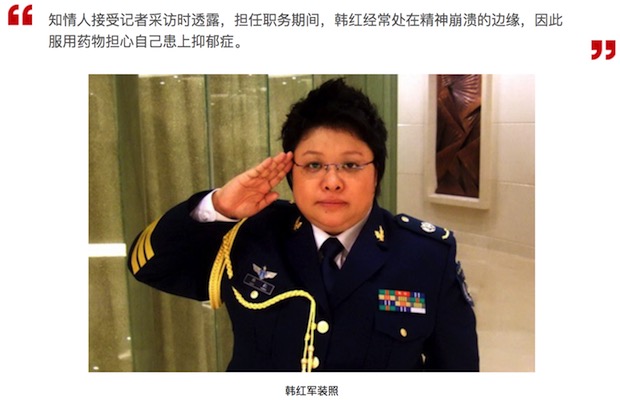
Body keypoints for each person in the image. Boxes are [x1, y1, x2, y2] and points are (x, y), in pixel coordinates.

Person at [128, 78, 479, 372]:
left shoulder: (425, 256)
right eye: (313, 165)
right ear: (290, 174)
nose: (332, 182)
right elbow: (150, 267)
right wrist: (219, 207)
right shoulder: (250, 233)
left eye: (351, 165)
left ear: (376, 174)